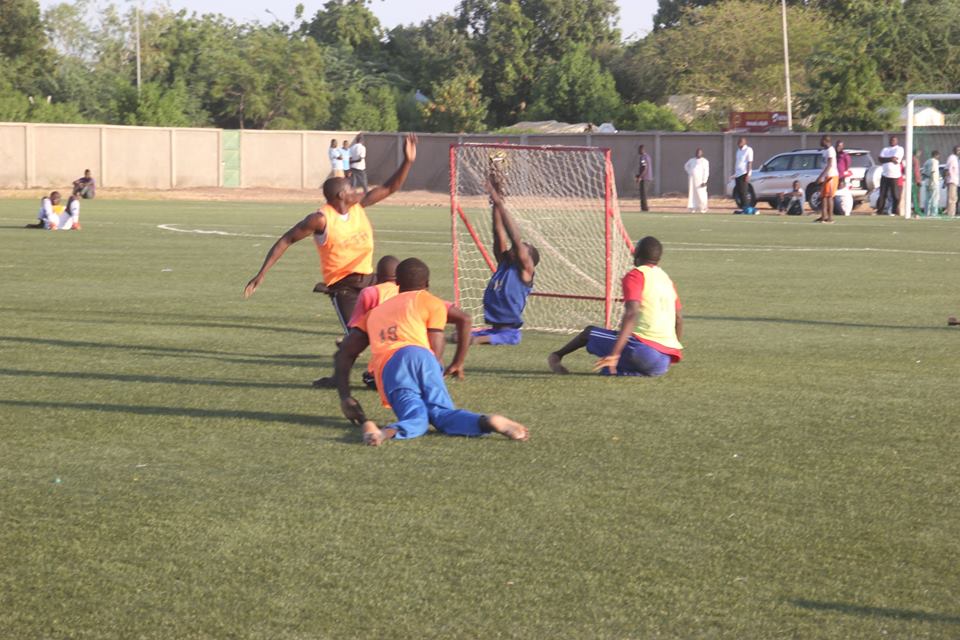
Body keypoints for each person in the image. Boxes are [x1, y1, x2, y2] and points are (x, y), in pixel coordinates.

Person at [334, 258, 529, 446]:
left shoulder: (375, 312)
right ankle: (487, 421)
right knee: (442, 413)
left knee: (415, 417)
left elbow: (346, 352)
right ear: (427, 283)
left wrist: (345, 397)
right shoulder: (431, 302)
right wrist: (440, 369)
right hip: (423, 357)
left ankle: (381, 433)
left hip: (392, 364)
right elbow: (437, 341)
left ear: (397, 283)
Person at [244, 134, 417, 334]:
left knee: (392, 265)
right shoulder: (320, 219)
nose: (356, 191)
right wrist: (261, 273)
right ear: (342, 195)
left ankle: (410, 318)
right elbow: (286, 240)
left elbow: (389, 187)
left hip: (369, 280)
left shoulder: (357, 206)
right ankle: (348, 345)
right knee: (356, 337)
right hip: (344, 286)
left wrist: (407, 161)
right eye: (351, 189)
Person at [547, 236, 683, 378]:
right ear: (658, 259)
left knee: (590, 333)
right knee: (609, 370)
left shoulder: (636, 275)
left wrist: (615, 354)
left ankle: (556, 356)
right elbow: (679, 318)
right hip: (663, 363)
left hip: (643, 351)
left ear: (636, 253)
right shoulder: (666, 280)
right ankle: (620, 369)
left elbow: (631, 313)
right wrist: (672, 351)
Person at [312, 255, 400, 389]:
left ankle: (337, 379)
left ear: (377, 277)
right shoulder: (409, 295)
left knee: (369, 375)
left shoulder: (371, 293)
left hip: (387, 372)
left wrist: (347, 345)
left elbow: (356, 328)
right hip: (416, 367)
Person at [470, 175, 539, 346]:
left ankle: (487, 338)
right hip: (493, 328)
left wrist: (499, 203)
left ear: (528, 260)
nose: (518, 248)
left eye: (523, 248)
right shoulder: (504, 263)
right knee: (457, 336)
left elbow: (514, 238)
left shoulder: (525, 272)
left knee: (470, 339)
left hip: (509, 332)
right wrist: (496, 200)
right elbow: (498, 232)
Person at [875, 135, 904, 216]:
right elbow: (880, 159)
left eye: (894, 140)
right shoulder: (885, 149)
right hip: (884, 174)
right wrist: (890, 159)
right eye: (891, 140)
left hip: (894, 176)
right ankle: (879, 211)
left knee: (895, 195)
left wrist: (886, 159)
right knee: (882, 194)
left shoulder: (899, 149)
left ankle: (894, 211)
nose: (892, 141)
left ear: (897, 141)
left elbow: (895, 160)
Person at [815, 135, 839, 223]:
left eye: (821, 140)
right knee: (823, 196)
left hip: (831, 176)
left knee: (829, 197)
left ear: (825, 141)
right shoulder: (825, 151)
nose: (820, 142)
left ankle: (830, 218)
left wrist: (820, 177)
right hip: (826, 176)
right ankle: (824, 216)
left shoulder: (831, 150)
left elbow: (829, 165)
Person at [732, 137, 753, 214]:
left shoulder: (748, 150)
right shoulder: (738, 151)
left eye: (740, 141)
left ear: (744, 142)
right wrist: (735, 174)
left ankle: (747, 208)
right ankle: (743, 208)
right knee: (739, 192)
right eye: (738, 141)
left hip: (744, 173)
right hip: (738, 174)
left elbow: (749, 162)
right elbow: (738, 162)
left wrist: (748, 174)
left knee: (744, 192)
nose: (739, 143)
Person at [684, 148, 709, 213]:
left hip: (701, 181)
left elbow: (706, 171)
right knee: (692, 194)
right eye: (697, 152)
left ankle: (703, 208)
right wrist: (690, 172)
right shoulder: (691, 160)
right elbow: (686, 166)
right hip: (692, 180)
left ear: (702, 153)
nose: (698, 153)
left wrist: (704, 181)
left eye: (700, 152)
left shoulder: (704, 161)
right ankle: (693, 208)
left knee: (701, 194)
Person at [921, 150, 941, 217]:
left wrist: (927, 181)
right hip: (933, 182)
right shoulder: (935, 162)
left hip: (926, 182)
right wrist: (931, 182)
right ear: (936, 155)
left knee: (927, 198)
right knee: (935, 198)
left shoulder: (927, 161)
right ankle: (934, 213)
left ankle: (927, 213)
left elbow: (923, 173)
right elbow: (933, 172)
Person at [634, 144, 651, 211]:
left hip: (645, 178)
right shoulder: (648, 156)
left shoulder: (643, 157)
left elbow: (645, 167)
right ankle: (644, 208)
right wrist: (638, 175)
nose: (638, 151)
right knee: (643, 193)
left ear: (642, 150)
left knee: (643, 194)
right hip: (647, 177)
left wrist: (640, 177)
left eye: (639, 149)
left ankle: (645, 208)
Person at [946, 145, 959, 217]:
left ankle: (952, 213)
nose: (959, 151)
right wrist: (947, 179)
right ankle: (950, 214)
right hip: (952, 180)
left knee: (954, 198)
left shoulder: (956, 158)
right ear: (954, 150)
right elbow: (947, 169)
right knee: (952, 198)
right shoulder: (952, 158)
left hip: (955, 181)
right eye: (958, 150)